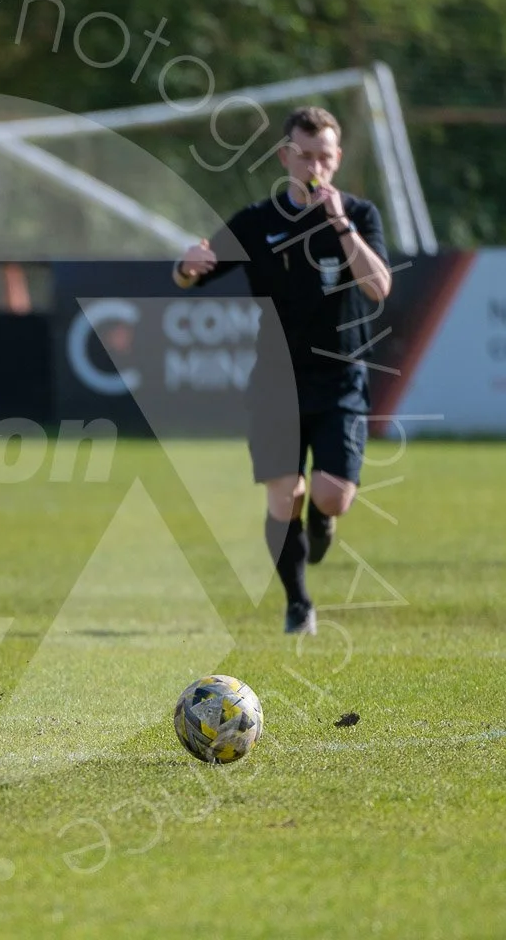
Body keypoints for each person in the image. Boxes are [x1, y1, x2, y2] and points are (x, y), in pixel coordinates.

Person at [172, 106, 393, 636]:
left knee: (330, 495)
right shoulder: (258, 221)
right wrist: (185, 266)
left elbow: (379, 288)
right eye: (306, 155)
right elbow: (193, 273)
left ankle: (323, 520)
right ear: (285, 156)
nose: (316, 165)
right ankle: (298, 604)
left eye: (326, 156)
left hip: (340, 377)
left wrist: (339, 223)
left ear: (337, 158)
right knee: (282, 495)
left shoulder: (359, 216)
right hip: (276, 381)